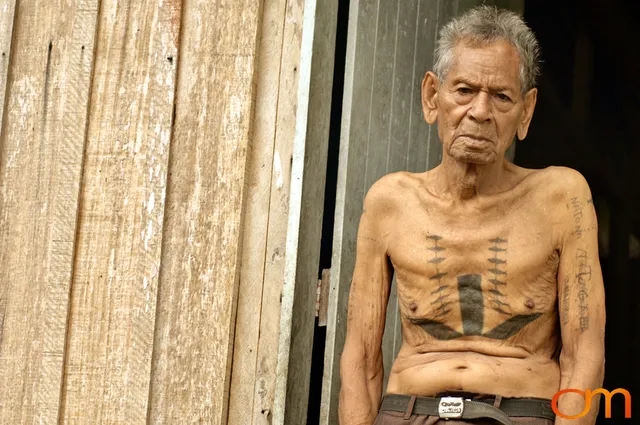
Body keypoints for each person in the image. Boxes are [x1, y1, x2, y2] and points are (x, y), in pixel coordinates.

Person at [338, 6, 605, 425]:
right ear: (432, 97)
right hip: (409, 410)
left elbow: (584, 354)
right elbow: (361, 356)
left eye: (501, 96)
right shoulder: (390, 201)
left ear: (526, 111)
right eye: (463, 90)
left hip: (520, 410)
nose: (480, 112)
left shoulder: (562, 197)